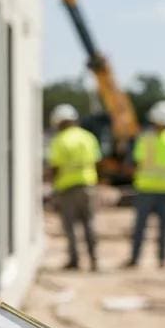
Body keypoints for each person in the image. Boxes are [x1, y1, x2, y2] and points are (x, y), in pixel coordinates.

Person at [124, 100, 165, 269]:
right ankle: (162, 260)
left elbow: (136, 162)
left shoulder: (145, 139)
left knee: (140, 227)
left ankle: (135, 258)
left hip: (146, 188)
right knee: (164, 228)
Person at [46, 104, 101, 271]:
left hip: (67, 187)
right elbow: (97, 160)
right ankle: (94, 259)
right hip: (88, 185)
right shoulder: (88, 137)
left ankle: (75, 260)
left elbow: (56, 167)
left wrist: (53, 187)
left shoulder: (60, 140)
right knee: (89, 223)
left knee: (70, 226)